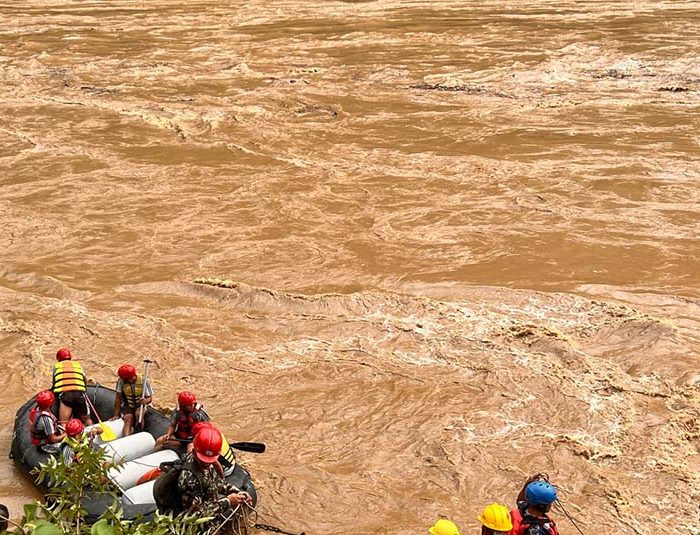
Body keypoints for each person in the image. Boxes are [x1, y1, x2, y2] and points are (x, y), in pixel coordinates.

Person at [176, 427, 252, 519]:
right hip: (198, 517)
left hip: (210, 503)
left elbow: (218, 483)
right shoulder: (189, 480)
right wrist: (228, 502)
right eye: (204, 460)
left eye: (210, 460)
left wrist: (238, 492)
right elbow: (196, 515)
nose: (207, 463)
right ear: (194, 451)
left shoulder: (207, 464)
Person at [51, 347, 92, 426]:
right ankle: (92, 433)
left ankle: (66, 436)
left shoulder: (56, 366)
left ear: (58, 358)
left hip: (66, 395)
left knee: (64, 422)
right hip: (79, 394)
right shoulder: (77, 365)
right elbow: (84, 378)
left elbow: (55, 381)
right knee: (87, 419)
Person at [110, 364, 153, 437]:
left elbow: (150, 398)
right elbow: (118, 398)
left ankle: (138, 433)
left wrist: (145, 401)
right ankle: (126, 439)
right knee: (128, 419)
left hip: (140, 405)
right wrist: (116, 415)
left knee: (138, 414)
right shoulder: (121, 382)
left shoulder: (143, 381)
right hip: (128, 406)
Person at [30, 390, 66, 455]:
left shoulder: (37, 409)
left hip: (45, 435)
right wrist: (66, 434)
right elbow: (53, 439)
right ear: (50, 403)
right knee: (68, 447)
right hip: (45, 445)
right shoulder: (46, 419)